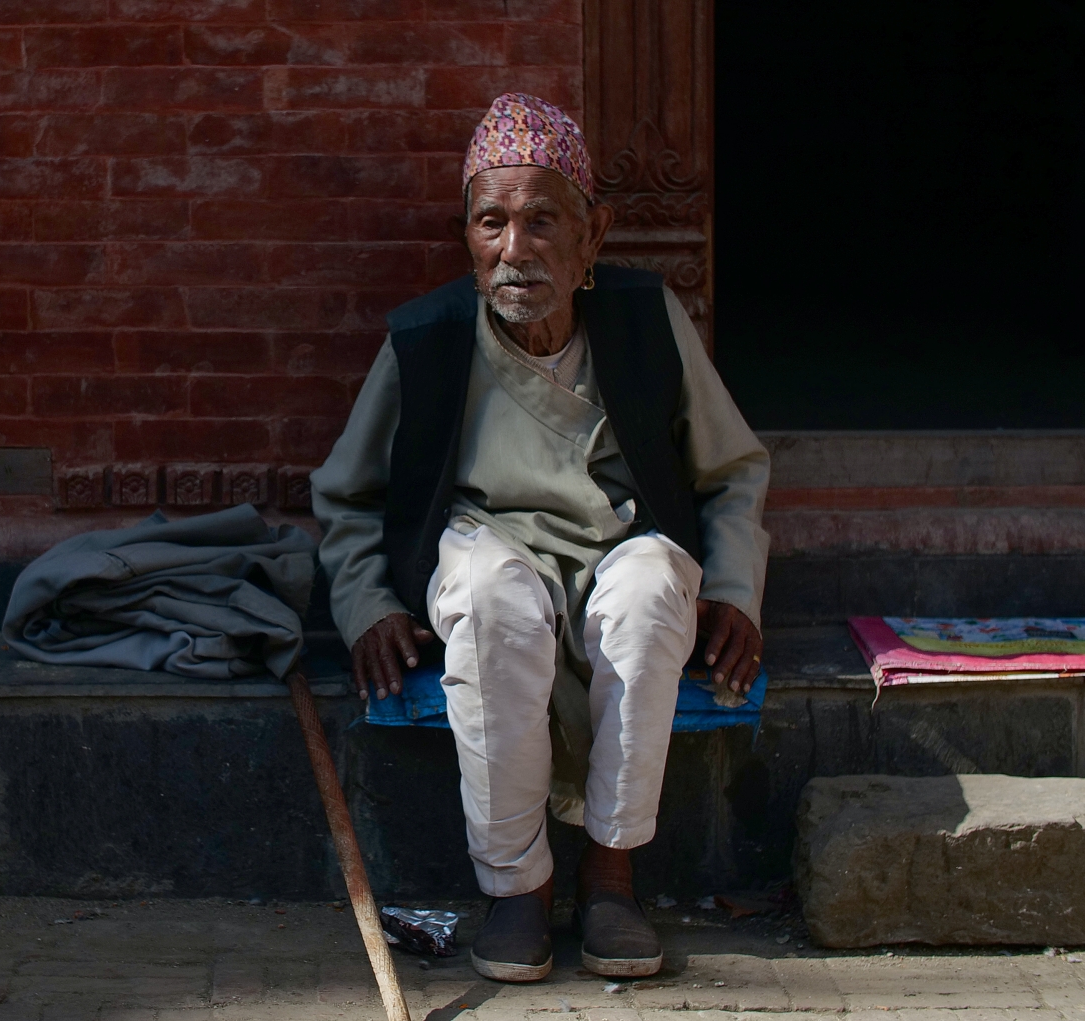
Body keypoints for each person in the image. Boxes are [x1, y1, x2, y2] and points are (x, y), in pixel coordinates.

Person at [310, 93, 770, 983]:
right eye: (493, 222)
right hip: (489, 548)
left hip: (624, 548)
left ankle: (610, 873)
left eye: (541, 222)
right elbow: (346, 493)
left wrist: (737, 591)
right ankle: (516, 886)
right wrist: (366, 602)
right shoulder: (428, 338)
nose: (514, 251)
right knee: (490, 597)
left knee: (644, 593)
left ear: (593, 236)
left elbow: (732, 471)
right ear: (467, 236)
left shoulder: (645, 318)